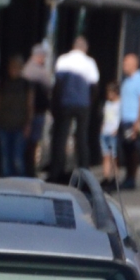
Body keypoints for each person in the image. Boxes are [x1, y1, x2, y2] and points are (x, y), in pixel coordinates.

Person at [51, 39, 100, 177]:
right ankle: (84, 170)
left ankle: (57, 170)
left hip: (66, 102)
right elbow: (94, 85)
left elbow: (58, 84)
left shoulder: (63, 60)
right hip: (83, 104)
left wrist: (56, 102)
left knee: (61, 136)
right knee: (81, 137)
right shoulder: (89, 62)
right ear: (85, 48)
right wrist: (90, 101)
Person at [116, 52, 140, 188]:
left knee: (132, 150)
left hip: (133, 120)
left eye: (127, 63)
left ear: (134, 65)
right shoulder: (126, 81)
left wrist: (138, 121)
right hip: (123, 120)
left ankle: (132, 178)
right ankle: (125, 177)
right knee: (124, 149)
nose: (124, 66)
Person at [0, 64, 34, 177]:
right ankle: (7, 184)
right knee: (5, 158)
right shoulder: (3, 84)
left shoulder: (26, 85)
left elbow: (30, 105)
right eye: (11, 67)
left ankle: (20, 184)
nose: (13, 70)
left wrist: (28, 124)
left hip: (20, 126)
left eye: (16, 67)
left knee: (17, 158)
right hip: (3, 124)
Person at [98, 82, 122, 183]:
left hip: (113, 132)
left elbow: (120, 118)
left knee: (113, 155)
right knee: (106, 155)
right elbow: (105, 117)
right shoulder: (107, 104)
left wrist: (117, 129)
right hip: (105, 132)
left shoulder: (120, 104)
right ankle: (106, 176)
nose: (108, 95)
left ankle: (115, 176)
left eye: (110, 93)